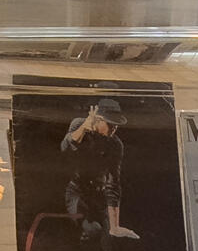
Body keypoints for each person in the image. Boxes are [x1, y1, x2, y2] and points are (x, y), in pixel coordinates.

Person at [60, 97, 140, 242]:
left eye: (116, 125)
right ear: (98, 120)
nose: (114, 128)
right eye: (110, 124)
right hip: (77, 192)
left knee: (110, 238)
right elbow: (65, 148)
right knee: (92, 230)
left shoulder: (115, 144)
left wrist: (115, 226)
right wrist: (84, 127)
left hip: (99, 195)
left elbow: (113, 182)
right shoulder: (79, 125)